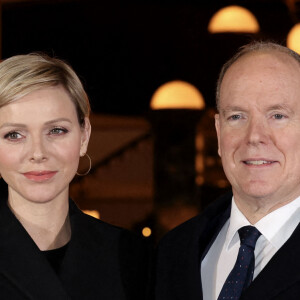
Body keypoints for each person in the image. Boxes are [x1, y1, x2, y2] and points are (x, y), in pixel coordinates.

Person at [155, 41, 300, 300]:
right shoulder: (172, 253)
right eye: (237, 116)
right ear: (219, 131)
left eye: (277, 115)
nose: (254, 136)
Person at [0, 53, 150, 299]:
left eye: (56, 130)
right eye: (14, 135)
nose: (38, 153)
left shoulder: (129, 255)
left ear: (84, 136)